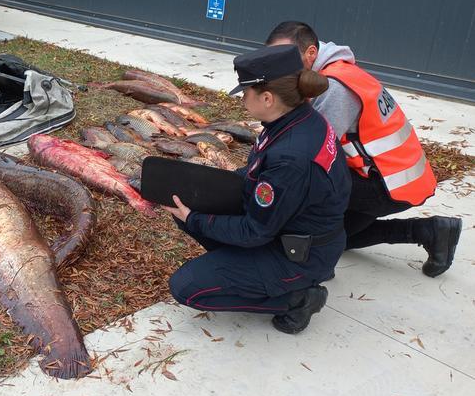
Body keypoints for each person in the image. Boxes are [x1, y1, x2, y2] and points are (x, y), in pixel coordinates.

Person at [167, 45, 350, 334]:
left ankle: (298, 298)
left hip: (300, 253)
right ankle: (247, 267)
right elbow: (258, 177)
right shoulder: (295, 119)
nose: (241, 99)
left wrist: (195, 220)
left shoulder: (290, 156)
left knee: (186, 287)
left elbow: (255, 231)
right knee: (189, 201)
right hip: (298, 230)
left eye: (245, 92)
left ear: (267, 98)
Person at [266, 21, 461, 277]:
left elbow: (310, 150)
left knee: (314, 227)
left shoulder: (335, 86)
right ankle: (432, 231)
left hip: (387, 184)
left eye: (285, 57)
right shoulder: (339, 71)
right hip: (396, 176)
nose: (279, 65)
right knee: (340, 239)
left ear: (311, 53)